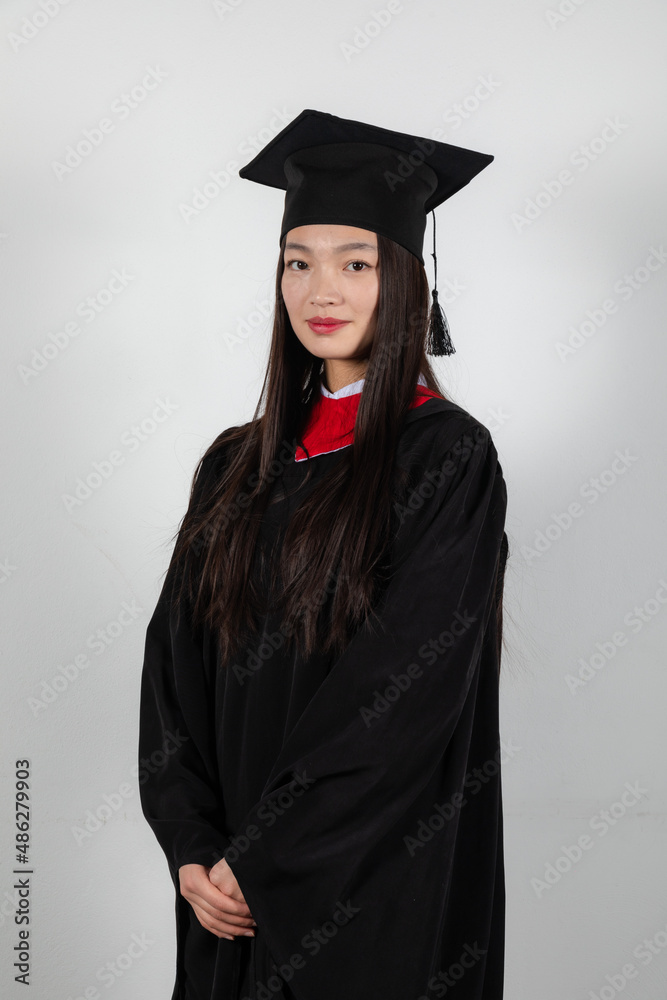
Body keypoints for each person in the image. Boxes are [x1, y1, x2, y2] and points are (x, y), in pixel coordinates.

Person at [138, 108, 509, 1000]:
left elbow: (403, 690)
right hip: (224, 895)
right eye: (296, 263)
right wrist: (193, 848)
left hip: (369, 881)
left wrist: (267, 853)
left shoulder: (446, 457)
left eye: (356, 262)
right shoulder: (236, 463)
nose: (320, 290)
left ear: (406, 281)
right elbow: (171, 673)